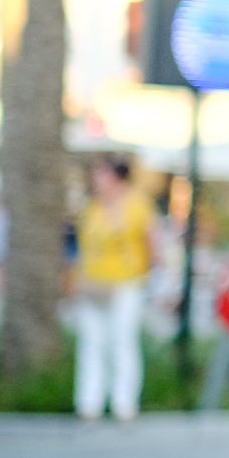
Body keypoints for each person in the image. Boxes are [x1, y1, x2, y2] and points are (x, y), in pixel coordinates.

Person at [71, 157, 152, 423]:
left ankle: (123, 403)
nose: (96, 180)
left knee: (122, 340)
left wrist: (146, 275)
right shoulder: (91, 207)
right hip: (93, 283)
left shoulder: (136, 204)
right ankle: (89, 403)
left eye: (101, 174)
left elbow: (148, 241)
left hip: (126, 282)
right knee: (92, 342)